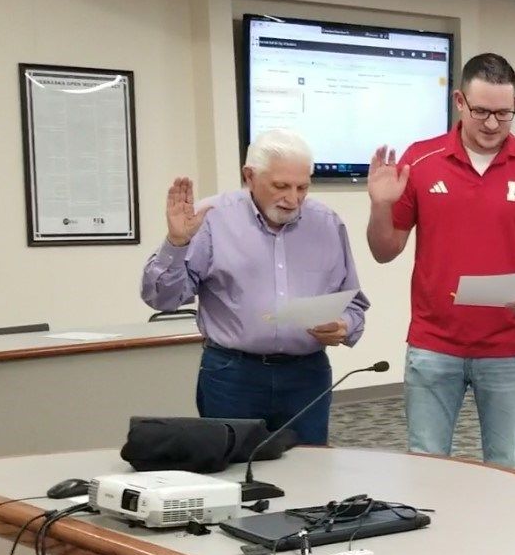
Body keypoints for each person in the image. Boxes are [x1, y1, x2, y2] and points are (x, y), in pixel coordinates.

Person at [366, 52, 515, 468]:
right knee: (427, 466)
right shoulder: (421, 161)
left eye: (503, 113)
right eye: (481, 111)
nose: (492, 124)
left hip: (507, 347)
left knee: (506, 467)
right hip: (434, 344)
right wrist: (379, 207)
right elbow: (384, 250)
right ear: (460, 102)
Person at [140, 128, 370, 445]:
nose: (293, 199)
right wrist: (176, 243)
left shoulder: (327, 223)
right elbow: (162, 298)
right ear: (249, 176)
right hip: (233, 376)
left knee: (309, 474)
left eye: (303, 187)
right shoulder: (212, 218)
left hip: (307, 376)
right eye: (281, 186)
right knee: (232, 474)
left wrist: (344, 325)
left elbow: (354, 303)